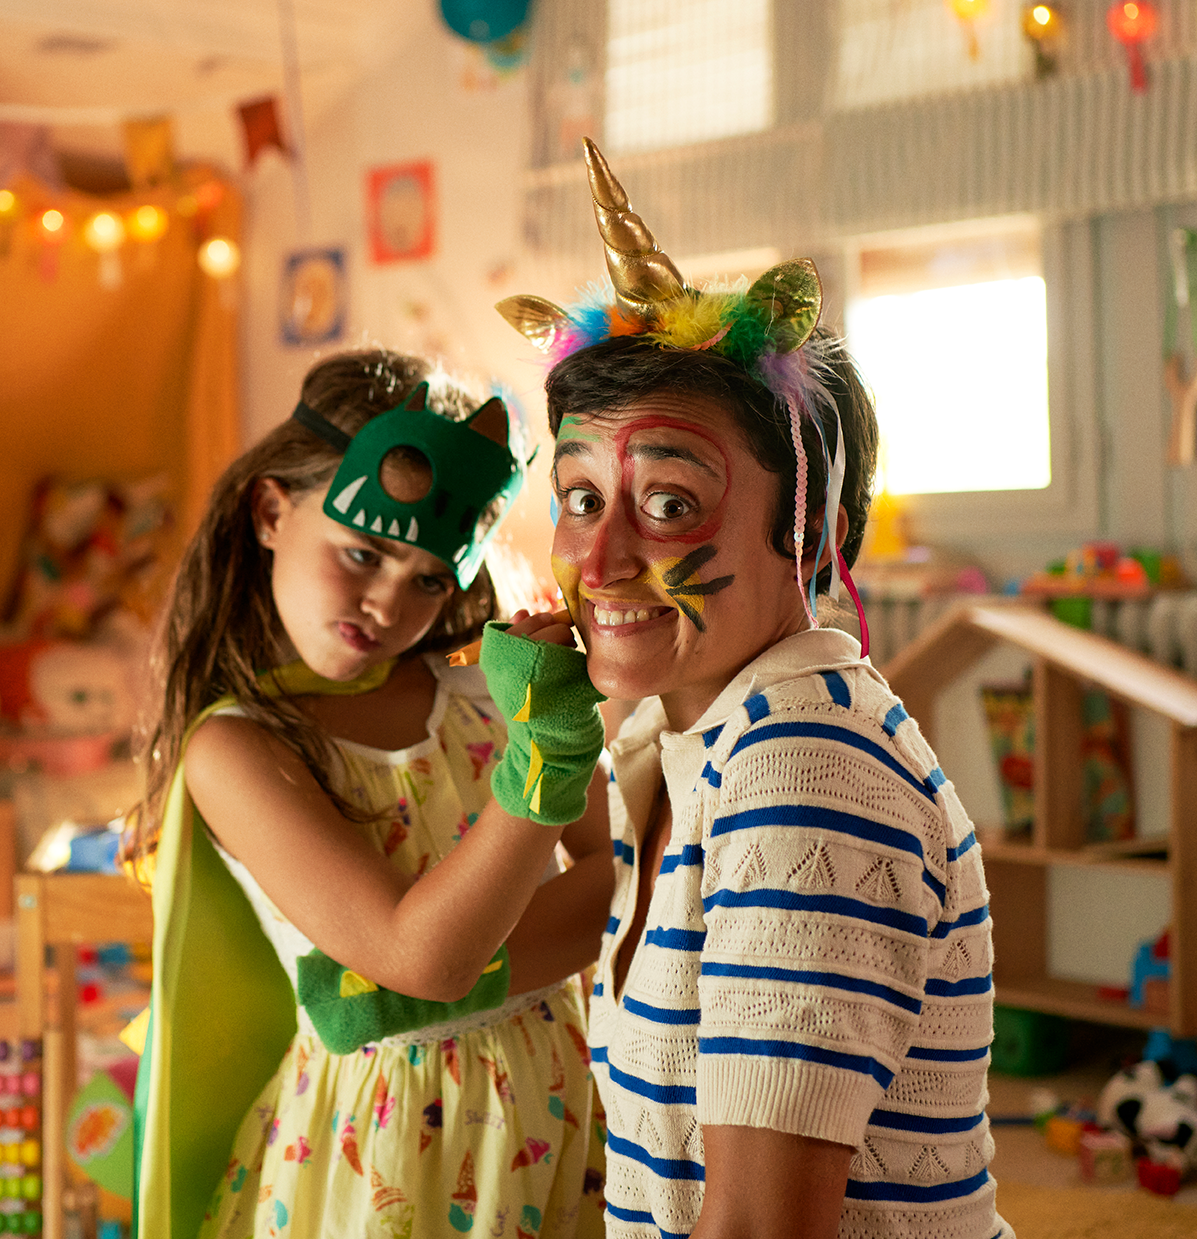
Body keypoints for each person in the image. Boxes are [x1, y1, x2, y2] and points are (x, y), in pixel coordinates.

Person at [494, 139, 1013, 1239]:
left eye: (669, 504)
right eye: (580, 498)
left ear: (810, 535)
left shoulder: (801, 777)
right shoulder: (680, 741)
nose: (598, 560)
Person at [130, 349, 612, 1239]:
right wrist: (546, 753)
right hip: (379, 1160)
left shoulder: (483, 693)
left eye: (429, 578)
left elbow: (623, 877)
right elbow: (424, 957)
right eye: (362, 552)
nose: (388, 604)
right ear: (270, 512)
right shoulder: (237, 749)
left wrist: (425, 976)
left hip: (559, 1123)